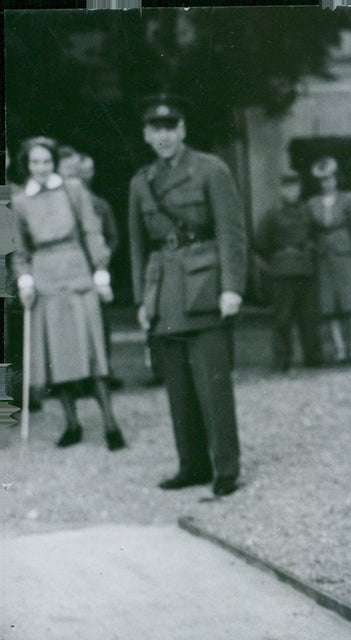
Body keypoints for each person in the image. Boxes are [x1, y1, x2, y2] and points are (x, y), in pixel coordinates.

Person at [128, 94, 246, 497]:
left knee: (213, 386)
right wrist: (144, 299)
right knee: (178, 388)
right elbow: (138, 247)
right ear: (146, 134)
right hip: (164, 293)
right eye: (155, 129)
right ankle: (192, 465)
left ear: (182, 130)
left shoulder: (210, 170)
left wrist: (232, 287)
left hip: (205, 287)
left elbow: (231, 232)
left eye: (170, 128)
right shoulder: (141, 183)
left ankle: (226, 467)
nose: (163, 136)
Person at [10, 136, 126, 450]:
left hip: (77, 270)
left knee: (92, 351)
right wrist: (25, 282)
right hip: (45, 277)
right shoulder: (20, 202)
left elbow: (91, 229)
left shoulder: (73, 190)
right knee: (56, 357)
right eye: (35, 163)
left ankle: (110, 424)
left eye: (47, 162)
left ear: (54, 163)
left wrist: (100, 270)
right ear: (27, 165)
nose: (42, 168)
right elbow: (19, 251)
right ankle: (71, 423)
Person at [253, 169, 323, 372]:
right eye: (288, 187)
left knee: (309, 316)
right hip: (282, 271)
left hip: (305, 270)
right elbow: (260, 242)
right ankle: (282, 358)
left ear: (300, 189)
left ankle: (314, 356)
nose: (292, 191)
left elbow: (317, 234)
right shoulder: (272, 213)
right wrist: (277, 259)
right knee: (283, 317)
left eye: (295, 187)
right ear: (281, 189)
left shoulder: (307, 210)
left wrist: (310, 247)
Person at [307, 157, 351, 365]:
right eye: (323, 180)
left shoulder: (348, 199)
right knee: (329, 305)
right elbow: (310, 232)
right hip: (323, 258)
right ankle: (339, 349)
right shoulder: (312, 203)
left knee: (349, 303)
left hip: (344, 256)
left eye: (330, 179)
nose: (327, 183)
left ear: (336, 179)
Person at [78, 152, 123, 390]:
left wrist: (102, 255)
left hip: (97, 270)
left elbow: (113, 237)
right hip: (72, 270)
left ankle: (105, 372)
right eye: (80, 171)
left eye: (88, 171)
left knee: (101, 323)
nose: (84, 176)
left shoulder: (100, 205)